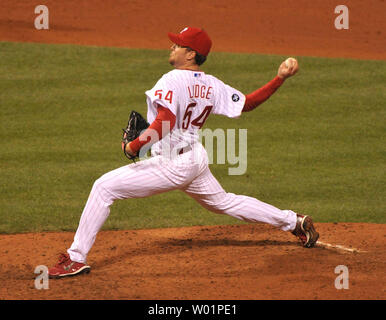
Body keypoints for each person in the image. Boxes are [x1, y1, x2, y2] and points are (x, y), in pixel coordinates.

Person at [48, 27, 319, 278]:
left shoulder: (172, 79)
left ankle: (75, 257)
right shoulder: (211, 84)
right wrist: (279, 78)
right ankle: (293, 221)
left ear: (190, 54)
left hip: (172, 164)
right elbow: (247, 103)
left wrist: (134, 146)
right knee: (223, 202)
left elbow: (165, 120)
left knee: (103, 188)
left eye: (178, 44)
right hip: (194, 158)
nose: (172, 46)